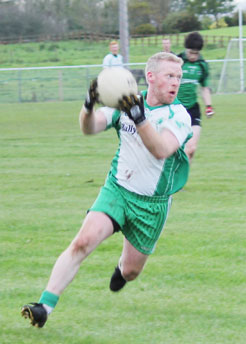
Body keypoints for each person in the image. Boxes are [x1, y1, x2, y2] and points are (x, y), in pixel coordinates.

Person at [21, 52, 192, 328]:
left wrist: (140, 118)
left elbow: (161, 150)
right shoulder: (125, 103)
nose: (176, 82)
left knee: (132, 270)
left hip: (152, 205)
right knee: (82, 242)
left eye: (179, 77)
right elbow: (89, 128)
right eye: (170, 76)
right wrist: (88, 105)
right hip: (118, 190)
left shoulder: (179, 115)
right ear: (151, 77)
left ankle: (122, 271)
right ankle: (44, 306)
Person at [177, 32, 214, 162]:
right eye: (191, 53)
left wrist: (208, 106)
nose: (193, 56)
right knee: (172, 150)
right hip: (175, 109)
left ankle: (181, 181)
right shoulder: (177, 62)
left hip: (193, 109)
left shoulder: (202, 65)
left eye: (196, 53)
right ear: (186, 49)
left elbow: (204, 87)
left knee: (191, 149)